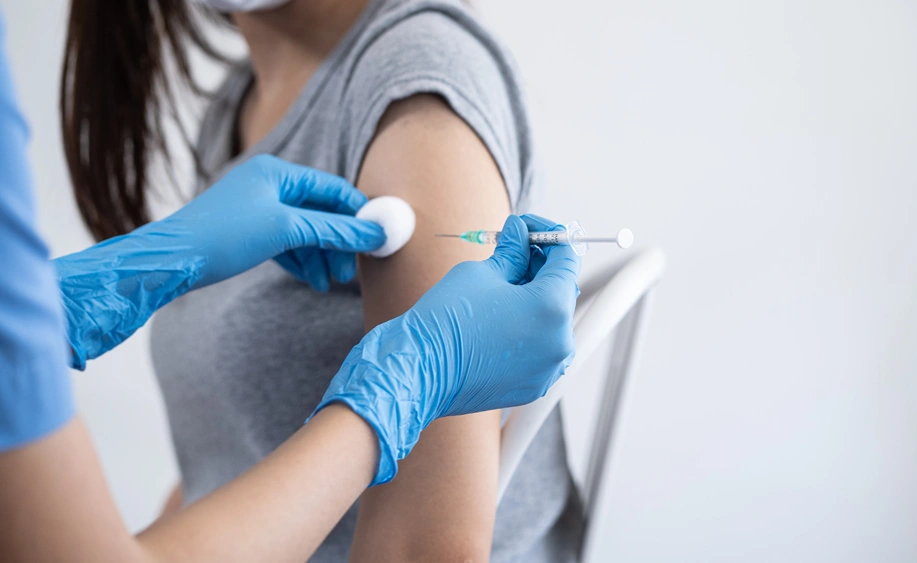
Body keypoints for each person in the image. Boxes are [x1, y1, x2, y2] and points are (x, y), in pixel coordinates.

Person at [0, 8, 582, 560]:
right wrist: (403, 385)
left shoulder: (417, 80)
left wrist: (74, 296)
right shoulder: (240, 104)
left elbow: (432, 549)